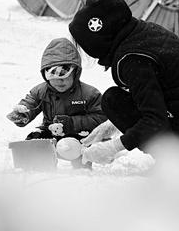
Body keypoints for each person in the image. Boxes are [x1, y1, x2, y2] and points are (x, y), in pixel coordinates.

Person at [68, 0, 179, 165]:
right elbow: (161, 96)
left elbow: (155, 120)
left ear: (97, 38)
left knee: (113, 101)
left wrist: (113, 147)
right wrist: (109, 127)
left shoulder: (133, 59)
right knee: (117, 101)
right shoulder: (140, 34)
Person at [7, 37, 107, 167]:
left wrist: (71, 123)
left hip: (79, 134)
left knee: (76, 148)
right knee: (34, 140)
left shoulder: (89, 94)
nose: (60, 82)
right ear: (45, 75)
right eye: (53, 77)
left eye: (65, 77)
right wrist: (22, 113)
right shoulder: (41, 91)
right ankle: (38, 169)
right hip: (50, 130)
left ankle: (81, 171)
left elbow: (101, 118)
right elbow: (30, 103)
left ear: (75, 74)